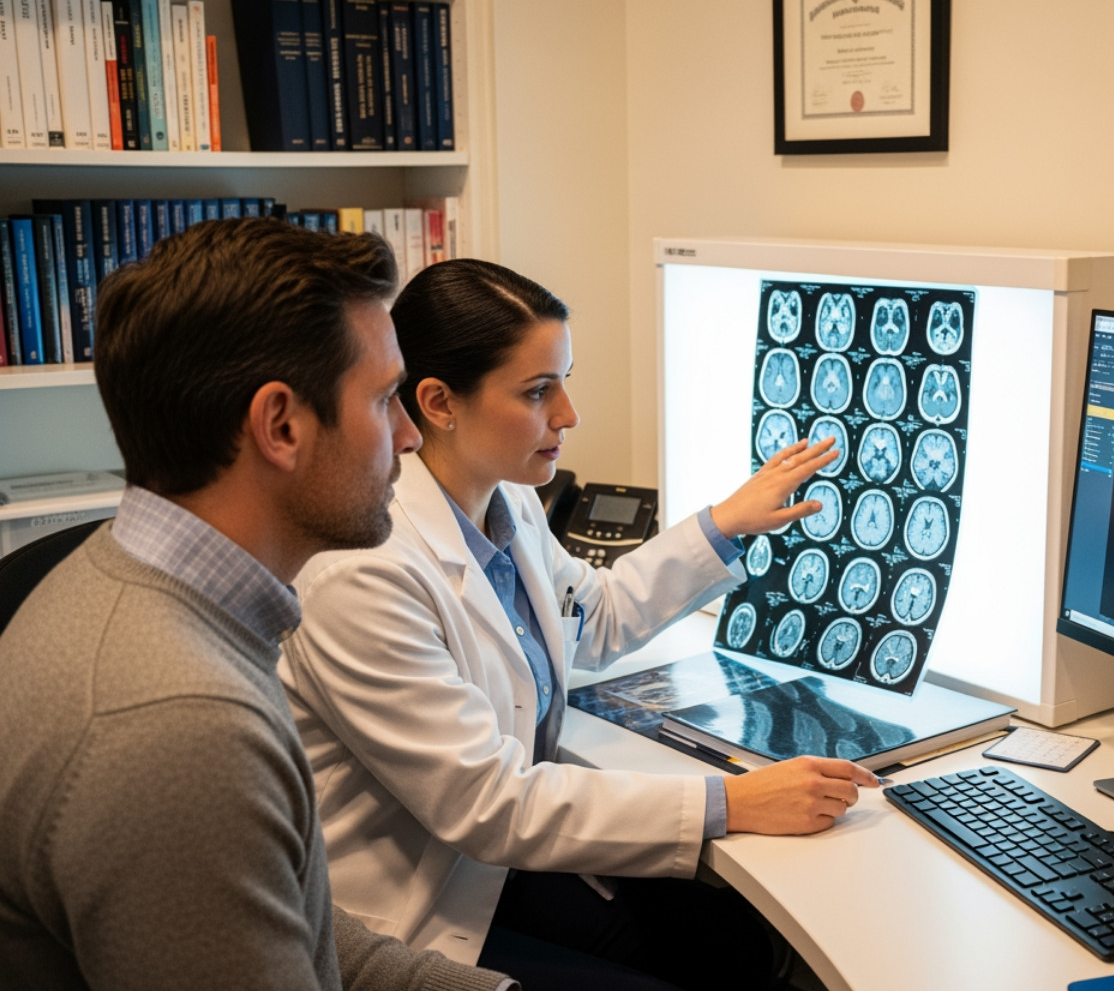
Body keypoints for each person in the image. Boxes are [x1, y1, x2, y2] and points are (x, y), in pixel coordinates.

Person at [280, 259, 880, 990]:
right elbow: (487, 804)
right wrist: (734, 801)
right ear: (438, 401)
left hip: (496, 868)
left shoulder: (505, 496)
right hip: (413, 910)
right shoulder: (362, 568)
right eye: (538, 391)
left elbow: (591, 619)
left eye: (564, 380)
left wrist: (727, 523)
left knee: (740, 951)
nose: (568, 414)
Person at [0, 219, 513, 991]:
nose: (409, 436)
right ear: (281, 426)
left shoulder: (147, 592)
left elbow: (299, 922)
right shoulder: (179, 724)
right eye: (383, 401)